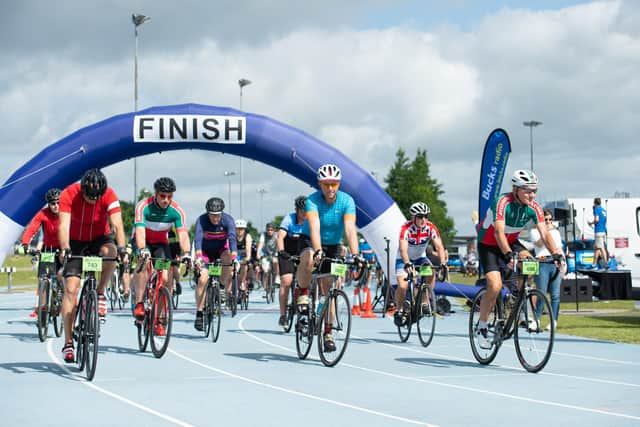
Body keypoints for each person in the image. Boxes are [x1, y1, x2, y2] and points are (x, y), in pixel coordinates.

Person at [475, 169, 564, 349]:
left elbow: (545, 233)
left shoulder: (534, 208)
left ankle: (520, 303)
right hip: (490, 245)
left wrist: (556, 254)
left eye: (534, 191)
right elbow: (499, 232)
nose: (532, 195)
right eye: (527, 190)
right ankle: (482, 326)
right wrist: (508, 254)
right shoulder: (502, 202)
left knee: (530, 263)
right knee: (495, 285)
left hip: (511, 241)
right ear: (515, 189)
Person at [58, 169, 127, 363]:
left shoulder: (109, 195)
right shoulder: (69, 194)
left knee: (111, 252)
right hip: (75, 241)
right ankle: (68, 342)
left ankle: (99, 292)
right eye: (89, 196)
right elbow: (63, 226)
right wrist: (64, 247)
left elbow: (117, 225)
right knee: (71, 289)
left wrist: (122, 248)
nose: (92, 200)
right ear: (82, 190)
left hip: (98, 238)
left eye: (96, 197)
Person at [296, 164, 362, 352]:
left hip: (333, 245)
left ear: (339, 183)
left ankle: (328, 332)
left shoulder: (347, 201)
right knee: (309, 258)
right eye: (326, 185)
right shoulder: (312, 200)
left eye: (333, 184)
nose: (330, 189)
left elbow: (350, 229)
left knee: (331, 289)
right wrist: (317, 250)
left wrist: (356, 255)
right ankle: (303, 293)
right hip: (311, 240)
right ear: (320, 184)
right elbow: (315, 226)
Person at [132, 177, 191, 335]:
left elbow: (183, 235)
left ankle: (158, 319)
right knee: (143, 264)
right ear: (156, 194)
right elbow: (139, 231)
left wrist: (186, 254)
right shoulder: (143, 206)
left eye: (169, 196)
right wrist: (143, 249)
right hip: (143, 240)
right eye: (162, 196)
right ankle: (139, 302)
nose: (166, 200)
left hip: (160, 244)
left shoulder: (176, 211)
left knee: (164, 279)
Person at [394, 202, 446, 327]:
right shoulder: (405, 229)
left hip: (420, 258)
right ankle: (399, 310)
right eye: (420, 216)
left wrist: (443, 263)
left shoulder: (431, 228)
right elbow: (402, 249)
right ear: (413, 217)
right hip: (403, 259)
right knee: (402, 286)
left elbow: (439, 246)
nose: (423, 219)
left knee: (431, 272)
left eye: (425, 216)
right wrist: (407, 263)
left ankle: (424, 300)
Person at [193, 197, 237, 330]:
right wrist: (199, 257)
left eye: (218, 215)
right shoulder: (201, 220)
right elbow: (198, 239)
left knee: (228, 257)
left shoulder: (228, 220)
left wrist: (235, 258)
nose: (216, 218)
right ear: (207, 213)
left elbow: (232, 238)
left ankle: (222, 287)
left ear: (222, 213)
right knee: (202, 280)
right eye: (212, 215)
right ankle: (200, 313)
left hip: (220, 251)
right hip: (205, 252)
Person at [21, 188, 63, 318]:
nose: (55, 206)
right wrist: (25, 243)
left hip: (63, 248)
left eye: (58, 203)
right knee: (43, 278)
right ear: (49, 204)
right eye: (52, 203)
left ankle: (62, 298)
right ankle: (43, 307)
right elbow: (32, 228)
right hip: (48, 249)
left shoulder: (67, 213)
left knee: (62, 275)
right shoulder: (43, 214)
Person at [275, 196, 307, 328]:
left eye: (306, 210)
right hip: (287, 254)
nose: (304, 213)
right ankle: (283, 315)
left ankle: (302, 309)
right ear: (296, 210)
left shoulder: (311, 221)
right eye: (301, 210)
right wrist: (282, 251)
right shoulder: (289, 219)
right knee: (287, 281)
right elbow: (280, 236)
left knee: (304, 282)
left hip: (303, 254)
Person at [531, 209, 564, 330]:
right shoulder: (534, 231)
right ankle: (537, 319)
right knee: (541, 293)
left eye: (550, 219)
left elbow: (559, 248)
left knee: (555, 295)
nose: (549, 222)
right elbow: (539, 244)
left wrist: (563, 263)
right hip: (542, 262)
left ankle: (554, 320)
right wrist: (546, 232)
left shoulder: (555, 232)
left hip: (554, 262)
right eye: (546, 220)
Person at [256, 222, 279, 294]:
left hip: (275, 253)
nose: (270, 231)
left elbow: (279, 244)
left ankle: (277, 276)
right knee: (265, 271)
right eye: (268, 230)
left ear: (274, 230)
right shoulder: (263, 235)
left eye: (271, 230)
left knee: (275, 261)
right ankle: (265, 288)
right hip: (266, 254)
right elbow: (260, 244)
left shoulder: (276, 235)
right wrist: (258, 253)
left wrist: (278, 253)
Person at [235, 219, 253, 298]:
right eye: (238, 229)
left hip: (243, 257)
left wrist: (247, 258)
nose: (239, 231)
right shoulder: (232, 236)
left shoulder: (247, 236)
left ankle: (242, 282)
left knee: (244, 266)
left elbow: (248, 249)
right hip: (235, 256)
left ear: (244, 229)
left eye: (241, 229)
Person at [588, 197, 608, 269]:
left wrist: (591, 223)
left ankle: (606, 263)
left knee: (601, 248)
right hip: (603, 231)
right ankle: (593, 264)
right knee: (597, 248)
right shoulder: (604, 210)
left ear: (595, 202)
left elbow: (596, 219)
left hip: (598, 231)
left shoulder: (597, 209)